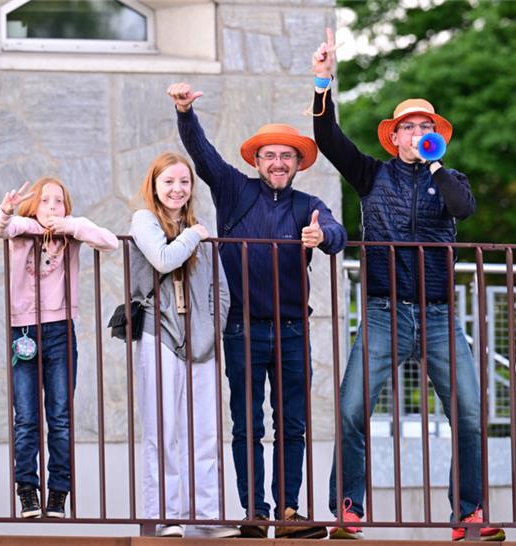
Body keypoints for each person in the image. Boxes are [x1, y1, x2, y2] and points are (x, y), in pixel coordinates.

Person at [311, 29, 505, 542]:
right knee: (352, 408)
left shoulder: (451, 179)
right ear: (393, 137)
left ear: (435, 135)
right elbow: (328, 139)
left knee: (469, 412)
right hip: (382, 311)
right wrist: (323, 82)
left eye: (426, 127)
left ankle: (468, 513)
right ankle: (348, 507)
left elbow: (463, 209)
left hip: (439, 313)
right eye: (408, 127)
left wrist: (436, 162)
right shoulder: (371, 175)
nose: (416, 133)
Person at [166, 82, 347, 539]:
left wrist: (322, 236)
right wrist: (185, 113)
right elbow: (202, 154)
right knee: (247, 424)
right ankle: (255, 512)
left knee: (292, 425)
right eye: (271, 155)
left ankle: (287, 512)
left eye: (288, 156)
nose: (279, 162)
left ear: (298, 163)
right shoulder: (232, 190)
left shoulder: (309, 206)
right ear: (257, 161)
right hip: (241, 328)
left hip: (291, 331)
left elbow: (337, 232)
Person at [0, 177, 118, 519]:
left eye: (58, 202)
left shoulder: (71, 232)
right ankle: (27, 489)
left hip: (61, 330)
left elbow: (110, 242)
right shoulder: (23, 228)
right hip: (23, 330)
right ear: (34, 207)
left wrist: (72, 226)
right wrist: (6, 208)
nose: (52, 208)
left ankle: (59, 490)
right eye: (45, 201)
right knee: (26, 417)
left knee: (59, 416)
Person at [129, 152, 236, 539]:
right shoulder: (145, 221)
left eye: (184, 182)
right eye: (169, 182)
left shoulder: (200, 235)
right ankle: (165, 515)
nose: (177, 189)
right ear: (155, 186)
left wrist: (211, 330)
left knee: (205, 431)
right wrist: (194, 234)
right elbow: (161, 259)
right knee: (163, 429)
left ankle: (206, 515)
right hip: (159, 335)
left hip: (201, 341)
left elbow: (220, 292)